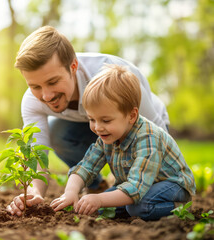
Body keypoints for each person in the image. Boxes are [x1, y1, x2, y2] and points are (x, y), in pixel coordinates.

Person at [7, 25, 170, 217]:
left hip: (140, 127)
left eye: (53, 82)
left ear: (73, 66)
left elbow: (158, 135)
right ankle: (96, 186)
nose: (46, 95)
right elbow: (38, 154)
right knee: (56, 133)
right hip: (92, 127)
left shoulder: (114, 78)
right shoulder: (32, 101)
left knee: (143, 199)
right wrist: (34, 192)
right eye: (35, 86)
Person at [50, 64, 196, 220]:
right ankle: (130, 208)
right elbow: (86, 167)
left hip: (171, 184)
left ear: (132, 115)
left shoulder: (148, 137)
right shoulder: (107, 137)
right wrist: (71, 192)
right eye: (91, 119)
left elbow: (136, 188)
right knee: (99, 210)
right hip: (140, 186)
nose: (98, 128)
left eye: (105, 120)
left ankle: (179, 207)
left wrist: (99, 199)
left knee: (140, 208)